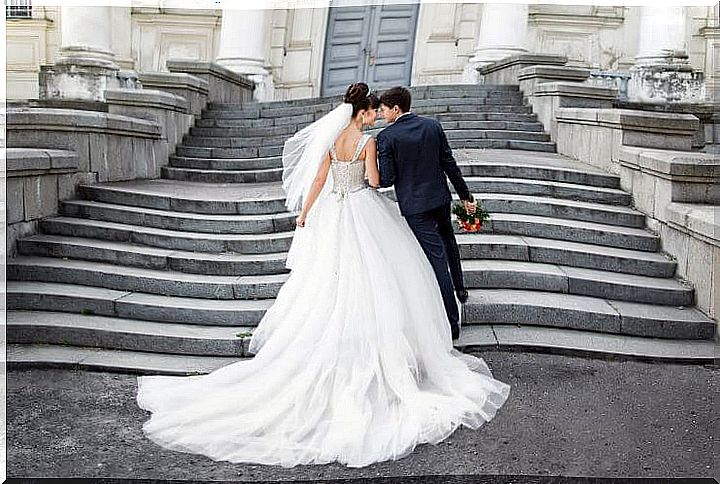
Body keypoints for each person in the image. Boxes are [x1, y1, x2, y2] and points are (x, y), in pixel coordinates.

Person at [135, 82, 510, 468]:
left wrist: (304, 213)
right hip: (373, 210)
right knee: (392, 275)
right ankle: (428, 325)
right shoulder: (372, 141)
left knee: (334, 280)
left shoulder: (333, 141)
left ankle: (338, 337)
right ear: (363, 112)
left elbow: (317, 181)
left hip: (335, 214)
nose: (375, 116)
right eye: (371, 111)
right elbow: (378, 182)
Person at [376, 86, 476, 341]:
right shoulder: (433, 126)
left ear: (395, 108)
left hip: (415, 207)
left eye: (384, 109)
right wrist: (466, 196)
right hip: (439, 198)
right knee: (448, 240)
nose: (381, 114)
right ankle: (460, 288)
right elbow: (448, 163)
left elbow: (387, 179)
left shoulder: (387, 137)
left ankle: (452, 321)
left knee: (436, 259)